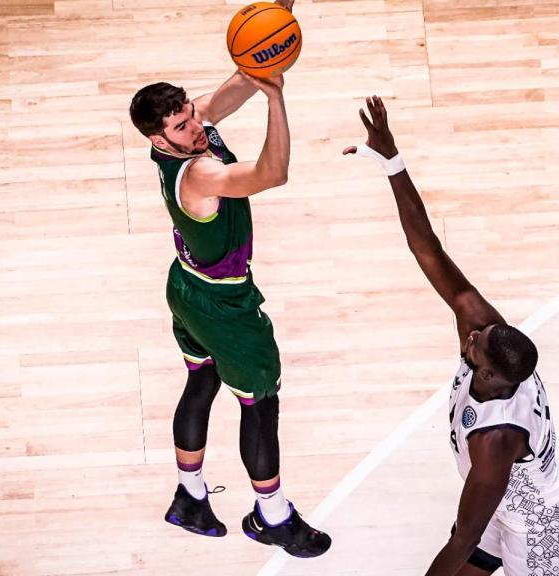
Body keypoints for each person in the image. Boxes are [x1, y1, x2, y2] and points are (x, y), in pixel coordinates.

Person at [344, 96, 559, 576]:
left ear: (490, 373)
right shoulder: (493, 345)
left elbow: (464, 537)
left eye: (478, 339)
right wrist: (391, 162)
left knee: (460, 561)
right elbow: (428, 249)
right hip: (510, 496)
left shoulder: (496, 438)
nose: (473, 329)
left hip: (542, 519)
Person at [126, 0, 330, 557]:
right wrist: (277, 97)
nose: (196, 126)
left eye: (192, 113)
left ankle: (189, 496)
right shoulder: (199, 174)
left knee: (202, 381)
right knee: (259, 401)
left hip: (186, 287)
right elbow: (273, 172)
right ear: (157, 142)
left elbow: (245, 75)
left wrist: (276, 15)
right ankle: (273, 516)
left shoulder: (191, 134)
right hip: (224, 304)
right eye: (181, 125)